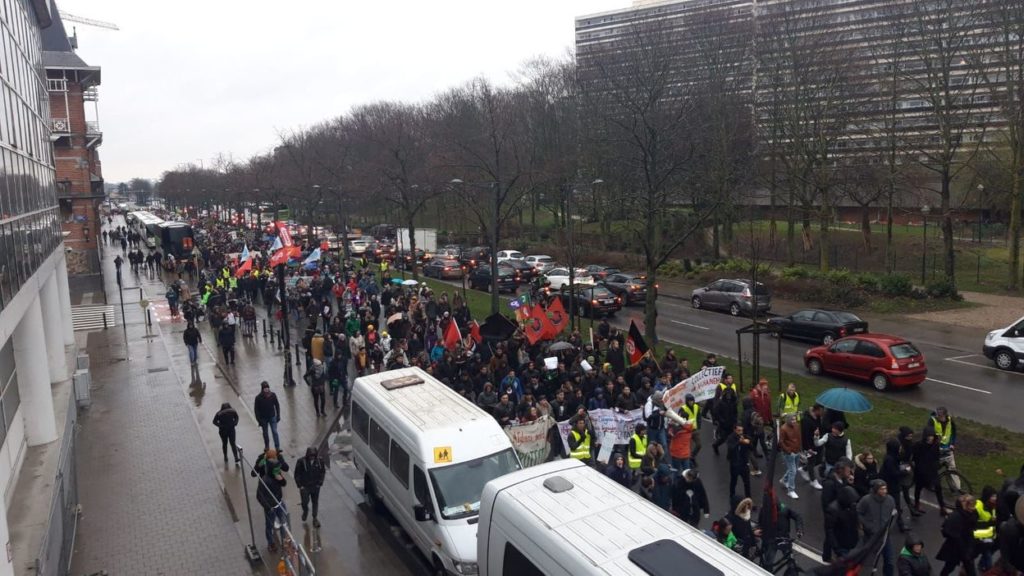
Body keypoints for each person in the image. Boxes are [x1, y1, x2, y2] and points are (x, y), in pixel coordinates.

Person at [857, 479, 897, 576]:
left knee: (889, 561)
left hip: (885, 537)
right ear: (875, 490)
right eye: (881, 489)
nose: (884, 491)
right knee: (867, 562)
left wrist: (890, 528)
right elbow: (858, 513)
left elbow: (894, 514)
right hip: (870, 537)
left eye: (885, 489)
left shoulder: (890, 500)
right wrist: (868, 526)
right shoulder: (866, 500)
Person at [936, 494, 978, 576]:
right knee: (950, 566)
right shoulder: (956, 516)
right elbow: (946, 530)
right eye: (971, 504)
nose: (973, 507)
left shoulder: (972, 513)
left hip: (966, 546)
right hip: (956, 547)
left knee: (970, 568)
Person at [256, 458, 288, 553]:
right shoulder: (265, 480)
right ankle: (271, 543)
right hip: (270, 507)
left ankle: (284, 541)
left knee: (284, 522)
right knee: (269, 525)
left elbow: (284, 483)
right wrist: (268, 507)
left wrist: (281, 479)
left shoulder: (277, 475)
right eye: (276, 469)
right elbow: (259, 496)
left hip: (279, 502)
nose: (278, 471)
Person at [913, 429, 947, 515]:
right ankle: (917, 503)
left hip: (932, 471)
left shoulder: (935, 445)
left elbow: (936, 457)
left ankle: (942, 507)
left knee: (938, 487)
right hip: (921, 472)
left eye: (932, 436)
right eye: (929, 436)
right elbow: (915, 458)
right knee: (918, 488)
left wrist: (937, 465)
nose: (930, 438)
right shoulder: (918, 445)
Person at [825, 485, 861, 561]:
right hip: (841, 544)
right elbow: (829, 530)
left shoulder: (851, 506)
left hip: (851, 542)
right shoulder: (833, 510)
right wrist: (836, 548)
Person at [295, 446, 326, 527]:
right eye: (311, 455)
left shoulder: (320, 461)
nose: (312, 457)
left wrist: (320, 483)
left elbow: (322, 472)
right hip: (305, 487)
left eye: (313, 455)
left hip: (315, 486)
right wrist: (300, 485)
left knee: (315, 502)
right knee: (304, 502)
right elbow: (297, 474)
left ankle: (315, 518)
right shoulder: (301, 462)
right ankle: (305, 511)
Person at [801, 403, 826, 490]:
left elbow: (819, 428)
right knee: (811, 461)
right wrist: (808, 448)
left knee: (819, 460)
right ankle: (813, 481)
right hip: (809, 445)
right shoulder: (806, 420)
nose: (823, 413)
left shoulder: (818, 417)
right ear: (817, 410)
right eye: (822, 411)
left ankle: (804, 469)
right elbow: (805, 435)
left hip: (817, 442)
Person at [973, 486, 997, 572]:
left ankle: (981, 566)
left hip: (987, 539)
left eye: (995, 496)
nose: (995, 498)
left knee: (987, 557)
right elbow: (973, 523)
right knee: (973, 556)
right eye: (993, 496)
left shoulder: (993, 506)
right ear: (987, 497)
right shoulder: (978, 505)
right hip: (978, 539)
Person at [779, 413, 802, 499]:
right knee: (793, 471)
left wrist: (800, 449)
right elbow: (781, 442)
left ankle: (784, 480)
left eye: (795, 419)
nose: (794, 421)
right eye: (792, 419)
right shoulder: (783, 429)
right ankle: (791, 490)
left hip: (796, 451)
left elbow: (799, 437)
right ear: (788, 419)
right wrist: (789, 451)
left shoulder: (797, 426)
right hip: (789, 453)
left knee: (793, 469)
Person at [726, 423, 752, 500]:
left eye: (742, 430)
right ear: (734, 430)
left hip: (744, 463)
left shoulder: (744, 436)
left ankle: (749, 499)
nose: (740, 432)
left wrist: (749, 442)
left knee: (747, 483)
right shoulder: (731, 438)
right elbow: (731, 448)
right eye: (739, 430)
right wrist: (739, 442)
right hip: (735, 464)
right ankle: (732, 496)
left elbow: (751, 447)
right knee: (734, 481)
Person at [254, 381, 282, 451]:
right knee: (265, 433)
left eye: (267, 388)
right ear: (262, 389)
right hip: (263, 418)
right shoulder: (258, 398)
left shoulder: (273, 395)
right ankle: (267, 446)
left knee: (274, 432)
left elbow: (277, 405)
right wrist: (259, 420)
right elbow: (256, 410)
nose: (266, 389)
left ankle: (277, 447)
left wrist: (278, 415)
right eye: (265, 388)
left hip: (272, 416)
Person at [927, 406, 957, 471]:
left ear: (945, 415)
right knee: (933, 468)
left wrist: (952, 444)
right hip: (936, 448)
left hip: (947, 448)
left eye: (940, 416)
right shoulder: (932, 420)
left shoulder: (949, 420)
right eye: (937, 415)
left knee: (952, 469)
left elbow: (953, 432)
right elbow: (928, 434)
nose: (938, 417)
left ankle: (954, 480)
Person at [680, 393, 702, 460]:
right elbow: (681, 419)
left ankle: (692, 456)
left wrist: (699, 426)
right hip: (686, 431)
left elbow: (698, 417)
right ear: (687, 401)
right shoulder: (683, 408)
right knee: (688, 446)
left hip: (694, 429)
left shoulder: (696, 407)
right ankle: (687, 458)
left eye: (692, 401)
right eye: (689, 401)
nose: (691, 402)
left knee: (699, 445)